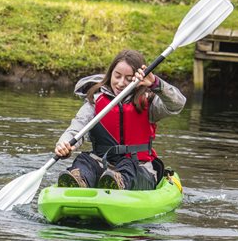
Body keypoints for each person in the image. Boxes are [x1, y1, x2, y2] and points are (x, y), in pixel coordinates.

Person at [55, 49, 185, 190]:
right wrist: (64, 144)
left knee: (128, 166)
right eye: (117, 76)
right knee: (85, 161)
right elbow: (77, 127)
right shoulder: (96, 101)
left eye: (128, 78)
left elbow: (177, 104)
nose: (121, 83)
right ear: (110, 74)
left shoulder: (149, 102)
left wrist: (155, 83)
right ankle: (79, 181)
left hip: (139, 167)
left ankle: (118, 182)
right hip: (102, 164)